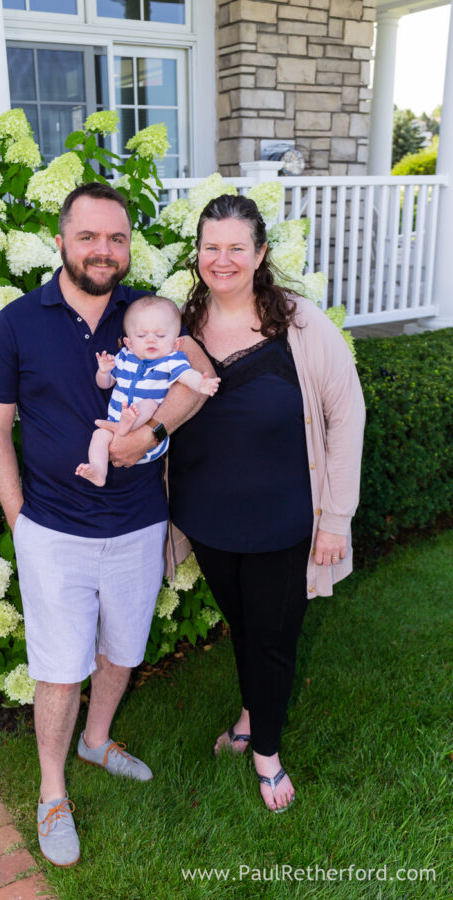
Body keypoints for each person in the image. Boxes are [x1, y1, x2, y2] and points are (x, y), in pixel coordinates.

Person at [0, 183, 209, 866]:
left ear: (128, 245)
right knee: (58, 671)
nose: (103, 250)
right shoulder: (19, 322)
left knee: (123, 651)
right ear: (60, 241)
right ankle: (52, 793)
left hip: (137, 523)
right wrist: (19, 520)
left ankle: (97, 739)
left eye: (116, 238)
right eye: (88, 236)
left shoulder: (146, 315)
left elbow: (198, 375)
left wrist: (153, 433)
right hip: (53, 529)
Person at [168, 193, 365, 813]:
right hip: (207, 518)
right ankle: (253, 713)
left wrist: (335, 519)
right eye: (211, 247)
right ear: (197, 253)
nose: (222, 259)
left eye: (236, 247)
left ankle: (267, 755)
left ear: (260, 254)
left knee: (274, 637)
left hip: (284, 520)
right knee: (246, 625)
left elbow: (347, 414)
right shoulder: (179, 325)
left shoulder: (300, 325)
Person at [76, 295, 220, 486]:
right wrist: (104, 371)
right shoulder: (124, 357)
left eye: (160, 336)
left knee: (148, 404)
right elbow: (105, 384)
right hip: (115, 430)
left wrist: (201, 384)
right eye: (141, 336)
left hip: (147, 438)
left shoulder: (171, 360)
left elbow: (187, 375)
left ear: (176, 343)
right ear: (128, 343)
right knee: (99, 436)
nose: (151, 340)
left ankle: (127, 424)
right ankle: (98, 471)